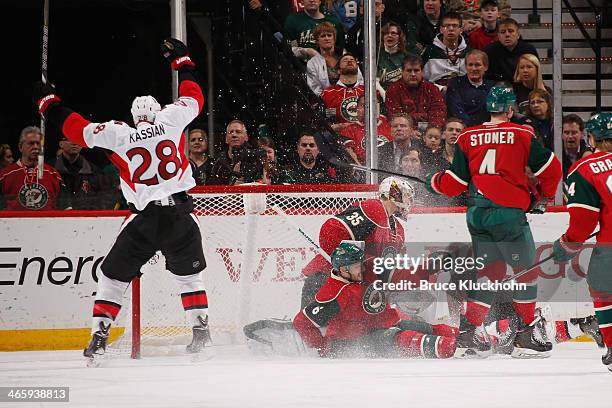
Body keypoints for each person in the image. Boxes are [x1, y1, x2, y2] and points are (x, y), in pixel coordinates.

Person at [32, 38, 211, 364]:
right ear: (157, 112)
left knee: (113, 277)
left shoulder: (119, 133)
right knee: (189, 276)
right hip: (183, 212)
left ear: (133, 115)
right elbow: (194, 98)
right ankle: (201, 334)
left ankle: (99, 337)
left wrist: (49, 103)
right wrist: (183, 61)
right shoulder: (171, 121)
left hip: (146, 218)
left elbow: (79, 131)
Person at [425, 86, 562, 358]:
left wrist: (434, 182)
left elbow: (454, 184)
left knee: (490, 273)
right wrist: (541, 197)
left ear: (490, 109)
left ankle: (469, 332)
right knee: (526, 272)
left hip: (477, 216)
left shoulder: (468, 136)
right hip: (508, 214)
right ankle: (525, 334)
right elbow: (552, 167)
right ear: (510, 110)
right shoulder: (522, 133)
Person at [293, 241, 457, 358]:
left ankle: (461, 337)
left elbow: (401, 276)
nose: (363, 268)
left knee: (431, 328)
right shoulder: (334, 293)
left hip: (383, 323)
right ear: (344, 270)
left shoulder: (368, 270)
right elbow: (302, 322)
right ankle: (438, 345)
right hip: (355, 340)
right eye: (358, 265)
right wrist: (323, 346)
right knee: (405, 338)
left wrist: (430, 266)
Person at [552, 112, 612, 372]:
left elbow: (583, 222)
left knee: (602, 288)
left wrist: (567, 245)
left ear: (590, 138)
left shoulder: (585, 169)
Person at [299, 176, 414, 307]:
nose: (409, 201)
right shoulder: (373, 208)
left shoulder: (398, 230)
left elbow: (384, 270)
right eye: (406, 196)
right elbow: (331, 231)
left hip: (353, 290)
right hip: (326, 278)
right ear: (394, 194)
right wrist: (350, 260)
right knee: (309, 325)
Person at [0, 126, 69, 211]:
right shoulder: (5, 175)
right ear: (20, 147)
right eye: (31, 143)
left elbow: (66, 210)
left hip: (47, 224)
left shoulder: (53, 174)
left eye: (38, 143)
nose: (36, 147)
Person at [385, 54, 447, 128]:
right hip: (403, 133)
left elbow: (439, 114)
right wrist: (411, 131)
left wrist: (431, 131)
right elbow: (395, 118)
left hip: (430, 133)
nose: (413, 74)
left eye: (416, 70)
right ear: (402, 72)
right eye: (409, 71)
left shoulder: (433, 89)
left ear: (422, 71)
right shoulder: (393, 90)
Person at [422, 11, 472, 88]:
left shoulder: (469, 53)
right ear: (441, 29)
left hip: (463, 93)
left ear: (461, 29)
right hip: (436, 93)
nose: (451, 29)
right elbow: (422, 80)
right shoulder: (430, 52)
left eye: (454, 25)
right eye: (447, 26)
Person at [207, 120, 265, 185]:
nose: (234, 135)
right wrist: (233, 178)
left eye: (238, 132)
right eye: (230, 132)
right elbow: (212, 187)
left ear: (246, 137)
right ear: (226, 139)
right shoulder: (217, 161)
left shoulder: (255, 158)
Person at [445, 49, 494, 126]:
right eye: (470, 65)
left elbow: (494, 114)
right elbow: (456, 111)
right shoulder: (455, 84)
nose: (473, 69)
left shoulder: (492, 87)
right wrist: (473, 127)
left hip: (486, 129)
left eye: (477, 65)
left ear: (486, 67)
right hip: (463, 127)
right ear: (466, 67)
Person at [339, 94, 391, 165]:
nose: (368, 109)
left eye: (373, 105)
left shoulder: (390, 124)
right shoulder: (349, 130)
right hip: (364, 171)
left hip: (391, 170)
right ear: (357, 109)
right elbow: (350, 155)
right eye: (364, 105)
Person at [53, 136, 101, 209]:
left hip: (86, 218)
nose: (74, 143)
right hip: (56, 217)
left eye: (77, 139)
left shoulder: (94, 170)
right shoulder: (49, 170)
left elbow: (101, 199)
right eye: (69, 139)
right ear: (61, 144)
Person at [484, 18, 538, 83]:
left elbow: (536, 74)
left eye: (511, 31)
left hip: (524, 86)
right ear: (498, 36)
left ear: (518, 34)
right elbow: (486, 78)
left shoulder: (529, 50)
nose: (507, 35)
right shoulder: (489, 50)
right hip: (498, 88)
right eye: (503, 32)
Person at [320, 53, 365, 126]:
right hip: (339, 136)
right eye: (345, 60)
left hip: (364, 135)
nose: (349, 62)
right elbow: (326, 121)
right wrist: (334, 126)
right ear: (338, 70)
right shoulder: (327, 94)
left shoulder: (368, 92)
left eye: (352, 60)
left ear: (357, 68)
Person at [377, 22, 418, 92]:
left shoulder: (409, 57)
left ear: (399, 37)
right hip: (382, 94)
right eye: (386, 33)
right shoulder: (376, 57)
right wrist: (384, 95)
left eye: (393, 33)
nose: (389, 35)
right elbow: (374, 82)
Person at [561, 114, 592, 179]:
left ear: (582, 134)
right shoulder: (556, 153)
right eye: (566, 133)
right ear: (562, 135)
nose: (570, 136)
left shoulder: (588, 154)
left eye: (574, 133)